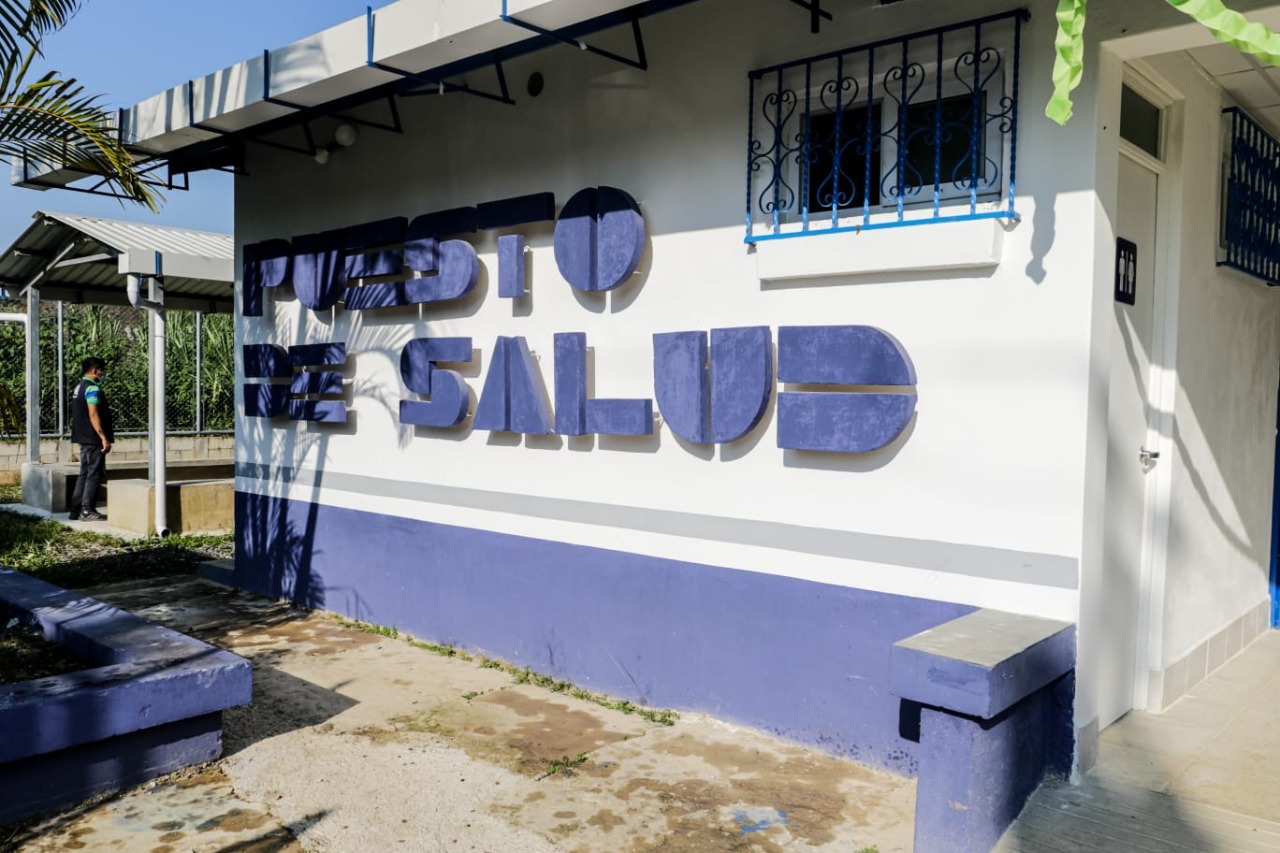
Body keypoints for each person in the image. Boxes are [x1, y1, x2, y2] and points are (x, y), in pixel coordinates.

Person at [69, 357, 113, 521]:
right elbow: (93, 413)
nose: (103, 373)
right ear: (95, 371)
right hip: (93, 437)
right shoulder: (92, 388)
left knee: (84, 473)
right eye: (101, 370)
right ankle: (87, 510)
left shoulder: (79, 386)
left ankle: (76, 509)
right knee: (94, 474)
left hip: (83, 436)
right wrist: (103, 437)